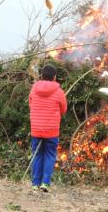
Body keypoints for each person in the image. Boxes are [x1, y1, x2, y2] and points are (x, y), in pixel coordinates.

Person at [29, 64, 67, 192]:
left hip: (36, 129)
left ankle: (35, 183)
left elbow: (31, 104)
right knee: (50, 155)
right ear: (54, 77)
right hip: (51, 130)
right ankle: (45, 183)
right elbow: (63, 109)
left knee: (37, 155)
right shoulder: (59, 92)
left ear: (41, 76)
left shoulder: (34, 89)